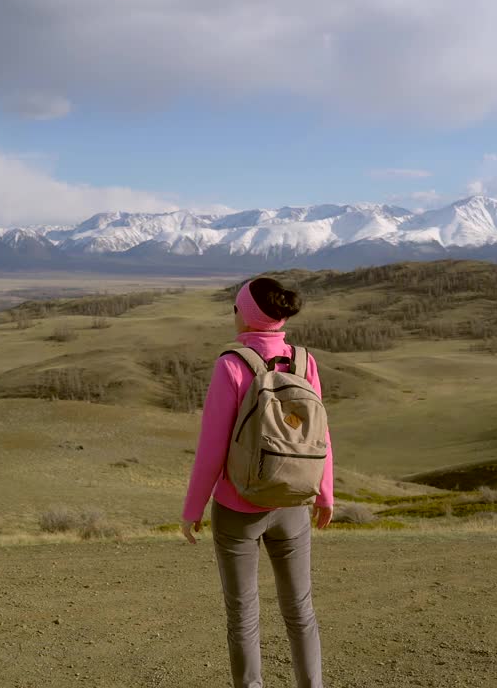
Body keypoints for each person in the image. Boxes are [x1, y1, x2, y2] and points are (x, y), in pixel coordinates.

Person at [181, 276, 333, 688]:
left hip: (238, 508)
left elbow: (212, 446)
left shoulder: (232, 364)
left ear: (245, 316)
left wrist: (192, 509)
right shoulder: (304, 362)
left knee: (243, 616)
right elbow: (320, 435)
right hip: (292, 504)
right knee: (300, 611)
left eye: (235, 307)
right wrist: (324, 493)